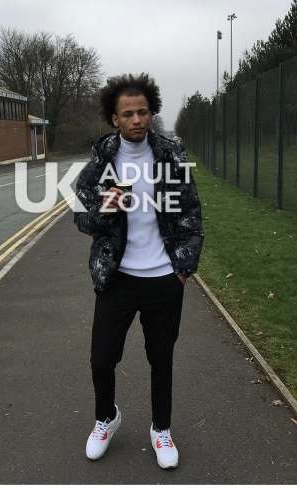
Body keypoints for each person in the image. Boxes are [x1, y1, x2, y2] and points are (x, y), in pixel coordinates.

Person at [73, 73, 204, 470]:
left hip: (164, 278)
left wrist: (182, 269)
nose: (136, 120)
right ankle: (106, 418)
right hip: (117, 278)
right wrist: (105, 208)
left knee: (161, 358)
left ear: (151, 113)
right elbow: (81, 217)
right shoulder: (102, 161)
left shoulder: (171, 156)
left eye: (143, 112)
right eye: (128, 114)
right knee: (102, 359)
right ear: (114, 118)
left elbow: (191, 213)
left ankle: (161, 429)